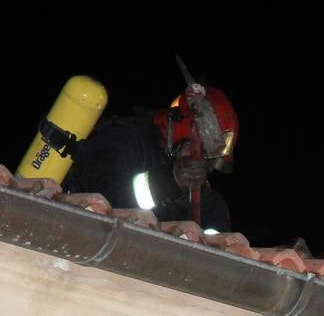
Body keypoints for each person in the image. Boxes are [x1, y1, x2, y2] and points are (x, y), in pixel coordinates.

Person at [64, 83, 238, 232]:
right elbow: (109, 202)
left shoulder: (208, 202)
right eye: (198, 152)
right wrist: (171, 180)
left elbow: (216, 249)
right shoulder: (125, 138)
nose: (198, 163)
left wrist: (197, 199)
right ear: (181, 133)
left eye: (207, 161)